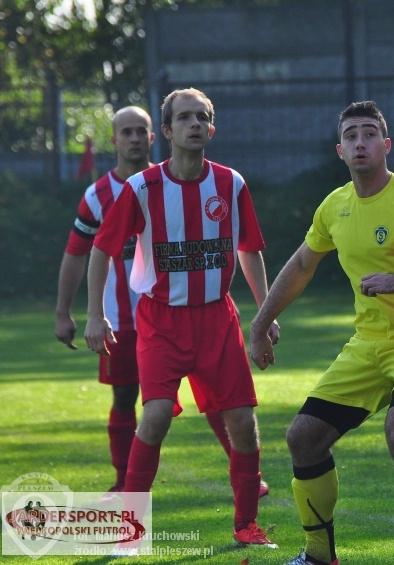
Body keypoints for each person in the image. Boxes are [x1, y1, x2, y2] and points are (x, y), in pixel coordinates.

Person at [248, 100, 394, 565]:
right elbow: (302, 264)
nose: (361, 142)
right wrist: (260, 322)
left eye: (369, 133)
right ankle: (319, 556)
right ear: (340, 150)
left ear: (386, 145)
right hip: (366, 345)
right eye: (351, 135)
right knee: (303, 438)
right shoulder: (335, 206)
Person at [83, 89, 278, 548]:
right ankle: (129, 529)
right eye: (185, 117)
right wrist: (94, 315)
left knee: (242, 423)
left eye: (202, 117)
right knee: (154, 417)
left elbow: (249, 250)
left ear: (212, 128)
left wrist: (266, 312)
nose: (195, 124)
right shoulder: (141, 188)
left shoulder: (231, 183)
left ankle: (246, 526)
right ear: (167, 131)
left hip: (217, 319)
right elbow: (101, 249)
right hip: (161, 321)